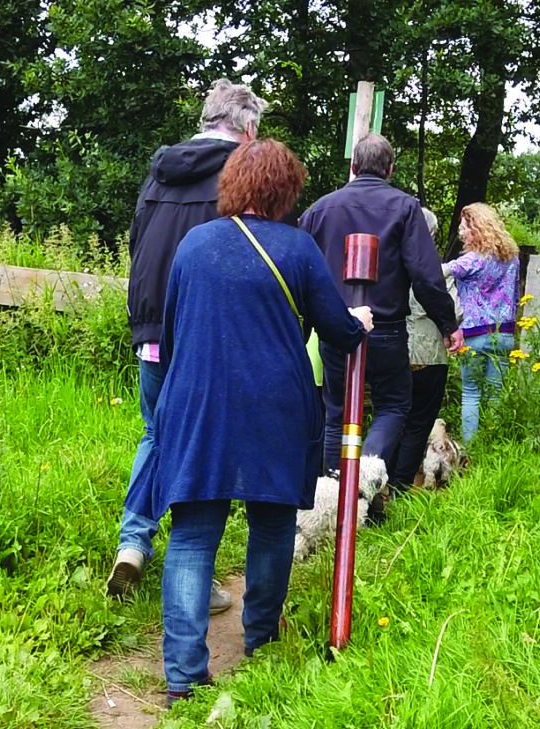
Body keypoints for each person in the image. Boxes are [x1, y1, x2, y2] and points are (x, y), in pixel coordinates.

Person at [131, 139, 373, 706]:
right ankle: (261, 641)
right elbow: (338, 331)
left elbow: (172, 333)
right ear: (285, 191)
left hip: (199, 404)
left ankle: (183, 676)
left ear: (232, 184)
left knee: (193, 535)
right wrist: (358, 321)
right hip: (276, 407)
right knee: (272, 524)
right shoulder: (298, 248)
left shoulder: (194, 245)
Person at [107, 79, 267, 606]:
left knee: (156, 434)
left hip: (152, 332)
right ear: (247, 127)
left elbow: (137, 244)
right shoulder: (240, 175)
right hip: (206, 335)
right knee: (203, 448)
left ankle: (133, 543)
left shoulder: (161, 171)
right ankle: (193, 576)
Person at [299, 134, 460, 478]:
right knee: (393, 405)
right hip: (386, 329)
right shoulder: (405, 208)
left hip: (335, 326)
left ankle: (336, 489)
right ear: (390, 169)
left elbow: (300, 269)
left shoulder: (320, 210)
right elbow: (425, 275)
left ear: (354, 166)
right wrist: (447, 323)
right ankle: (363, 482)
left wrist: (305, 326)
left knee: (337, 413)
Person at [391, 208, 463, 493]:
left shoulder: (388, 267)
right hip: (429, 354)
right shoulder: (437, 271)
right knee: (419, 422)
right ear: (430, 234)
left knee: (392, 417)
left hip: (393, 350)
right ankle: (400, 487)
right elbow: (455, 311)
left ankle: (381, 483)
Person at [443, 203, 520, 444]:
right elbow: (516, 296)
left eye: (464, 228)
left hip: (475, 334)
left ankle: (471, 449)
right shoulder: (512, 259)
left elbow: (437, 273)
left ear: (476, 229)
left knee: (471, 393)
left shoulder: (471, 260)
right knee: (496, 394)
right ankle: (492, 446)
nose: (461, 233)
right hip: (504, 334)